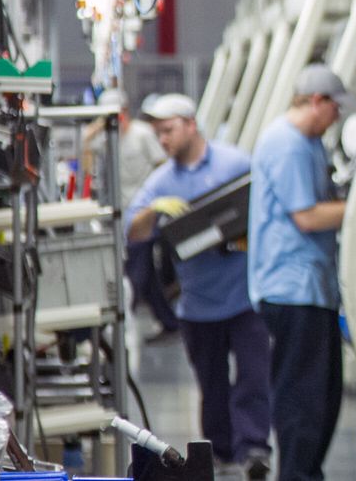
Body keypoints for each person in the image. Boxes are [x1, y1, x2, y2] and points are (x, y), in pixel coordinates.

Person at [125, 94, 272, 479]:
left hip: (245, 296)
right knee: (212, 386)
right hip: (198, 303)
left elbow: (267, 208)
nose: (164, 140)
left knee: (254, 377)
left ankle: (254, 448)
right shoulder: (161, 182)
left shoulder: (235, 163)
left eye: (169, 130)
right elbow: (133, 232)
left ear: (191, 124)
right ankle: (221, 454)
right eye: (158, 134)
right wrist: (154, 211)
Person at [248, 64, 354, 481]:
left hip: (313, 287)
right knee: (303, 398)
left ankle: (306, 472)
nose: (337, 119)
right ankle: (296, 476)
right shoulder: (288, 145)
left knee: (323, 396)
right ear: (316, 102)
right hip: (292, 289)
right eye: (335, 110)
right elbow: (308, 217)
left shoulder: (310, 143)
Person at [82, 88, 178, 340]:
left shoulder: (143, 135)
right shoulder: (106, 137)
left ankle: (123, 324)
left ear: (125, 112)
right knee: (145, 274)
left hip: (144, 214)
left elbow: (162, 166)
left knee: (138, 271)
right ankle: (169, 322)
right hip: (121, 215)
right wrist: (93, 131)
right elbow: (86, 157)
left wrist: (158, 204)